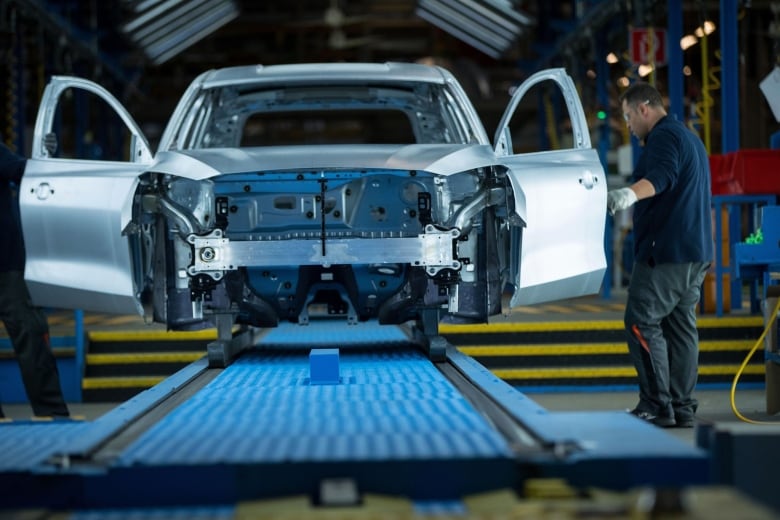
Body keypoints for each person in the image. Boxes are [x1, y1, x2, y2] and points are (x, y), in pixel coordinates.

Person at [607, 83, 713, 428]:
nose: (628, 125)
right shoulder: (689, 137)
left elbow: (662, 177)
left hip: (666, 252)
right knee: (680, 328)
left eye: (627, 116)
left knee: (640, 321)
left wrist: (626, 196)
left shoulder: (664, 137)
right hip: (694, 252)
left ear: (644, 109)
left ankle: (656, 404)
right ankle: (682, 407)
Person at [0, 140, 70, 419]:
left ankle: (53, 414)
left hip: (7, 268)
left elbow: (25, 172)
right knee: (31, 340)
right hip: (8, 269)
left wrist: (49, 159)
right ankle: (53, 415)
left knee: (31, 340)